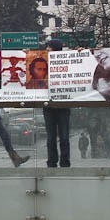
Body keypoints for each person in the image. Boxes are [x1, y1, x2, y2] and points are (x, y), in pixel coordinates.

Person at [42, 39, 70, 168]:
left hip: (62, 105)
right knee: (51, 137)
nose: (47, 49)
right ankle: (52, 161)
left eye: (49, 47)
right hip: (49, 105)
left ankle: (64, 161)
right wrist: (26, 55)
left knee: (63, 136)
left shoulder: (67, 59)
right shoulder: (43, 60)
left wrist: (82, 52)